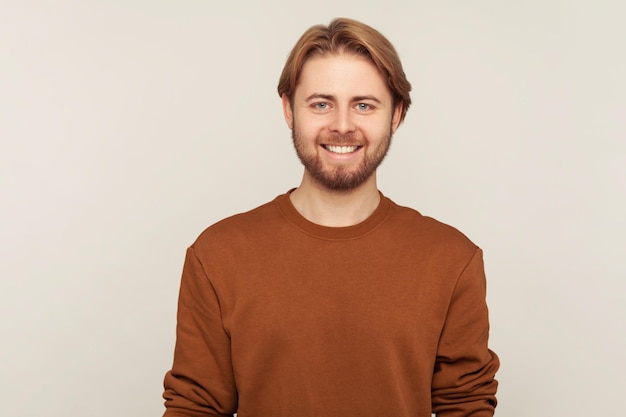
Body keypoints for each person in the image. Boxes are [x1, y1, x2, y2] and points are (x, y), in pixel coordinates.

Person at [162, 17, 499, 417]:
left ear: (396, 114)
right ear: (289, 110)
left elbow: (466, 406)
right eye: (321, 104)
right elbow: (196, 407)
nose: (342, 126)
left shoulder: (451, 259)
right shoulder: (217, 255)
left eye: (364, 105)